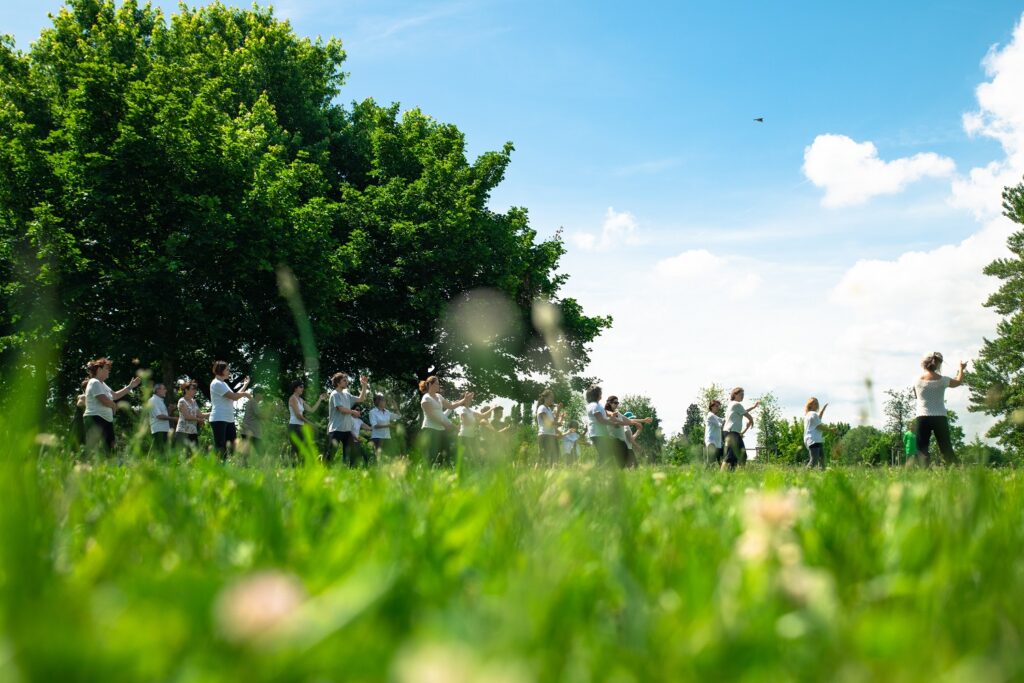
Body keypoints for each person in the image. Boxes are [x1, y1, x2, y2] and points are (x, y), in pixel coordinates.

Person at [913, 351, 966, 466]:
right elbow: (958, 381)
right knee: (946, 447)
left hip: (922, 417)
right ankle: (954, 470)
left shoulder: (917, 381)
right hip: (940, 417)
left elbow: (916, 396)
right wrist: (961, 369)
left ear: (924, 363)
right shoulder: (943, 380)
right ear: (938, 364)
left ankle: (924, 472)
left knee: (922, 448)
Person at [83, 357, 141, 453]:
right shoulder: (94, 382)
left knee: (110, 450)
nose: (109, 371)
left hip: (106, 420)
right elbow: (104, 400)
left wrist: (131, 386)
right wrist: (114, 406)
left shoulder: (102, 384)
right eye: (107, 368)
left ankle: (106, 467)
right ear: (99, 369)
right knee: (92, 450)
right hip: (95, 419)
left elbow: (115, 395)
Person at [418, 375, 474, 465]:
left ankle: (443, 473)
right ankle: (427, 474)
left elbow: (451, 406)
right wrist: (445, 424)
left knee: (446, 454)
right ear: (430, 385)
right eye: (437, 384)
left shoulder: (439, 396)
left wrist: (464, 400)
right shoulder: (426, 398)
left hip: (441, 430)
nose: (438, 386)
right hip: (430, 429)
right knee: (430, 456)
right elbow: (431, 415)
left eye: (438, 384)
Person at [209, 361, 251, 458]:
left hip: (228, 419)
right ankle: (218, 469)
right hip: (219, 419)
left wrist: (245, 385)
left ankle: (229, 469)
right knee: (221, 448)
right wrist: (245, 394)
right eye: (227, 369)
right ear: (221, 370)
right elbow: (234, 396)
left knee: (233, 447)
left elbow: (235, 396)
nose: (229, 372)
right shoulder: (216, 383)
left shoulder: (223, 384)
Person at [327, 372, 370, 466]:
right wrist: (353, 412)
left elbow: (361, 399)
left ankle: (348, 473)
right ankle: (323, 470)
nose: (347, 382)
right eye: (344, 380)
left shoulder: (347, 395)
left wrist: (364, 385)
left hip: (346, 430)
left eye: (346, 380)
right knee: (330, 455)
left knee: (350, 454)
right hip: (336, 429)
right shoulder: (335, 394)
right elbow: (341, 409)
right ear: (338, 383)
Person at [585, 385, 628, 466]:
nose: (601, 394)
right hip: (599, 434)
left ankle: (600, 471)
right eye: (600, 392)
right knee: (613, 450)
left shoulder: (592, 405)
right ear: (597, 394)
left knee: (606, 455)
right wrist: (613, 423)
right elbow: (600, 420)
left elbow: (602, 416)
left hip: (596, 433)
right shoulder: (595, 405)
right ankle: (598, 471)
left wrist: (611, 416)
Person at [722, 387, 760, 470]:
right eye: (741, 394)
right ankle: (721, 476)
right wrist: (751, 421)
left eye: (743, 394)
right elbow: (747, 415)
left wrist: (753, 407)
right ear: (735, 394)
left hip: (732, 433)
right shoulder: (736, 404)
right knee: (730, 457)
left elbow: (743, 411)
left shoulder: (733, 404)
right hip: (731, 433)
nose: (742, 396)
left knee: (741, 456)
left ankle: (736, 476)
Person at [287, 380, 327, 458]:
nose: (303, 389)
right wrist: (309, 423)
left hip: (300, 427)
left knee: (302, 450)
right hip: (294, 427)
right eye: (301, 387)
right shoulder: (292, 398)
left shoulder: (301, 400)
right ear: (295, 388)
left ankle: (299, 468)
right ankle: (292, 467)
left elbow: (312, 410)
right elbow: (298, 415)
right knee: (296, 450)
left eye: (303, 387)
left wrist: (320, 399)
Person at [175, 380, 206, 450]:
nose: (195, 391)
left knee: (194, 457)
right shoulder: (182, 401)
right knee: (182, 457)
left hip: (193, 432)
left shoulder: (194, 401)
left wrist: (213, 412)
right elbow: (187, 416)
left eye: (195, 389)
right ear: (186, 390)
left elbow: (200, 415)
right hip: (182, 432)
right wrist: (199, 420)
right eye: (193, 389)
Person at [147, 383, 175, 452]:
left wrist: (169, 410)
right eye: (164, 389)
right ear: (158, 390)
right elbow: (159, 416)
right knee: (160, 453)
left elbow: (164, 415)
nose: (166, 390)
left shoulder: (160, 400)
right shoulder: (153, 400)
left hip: (164, 430)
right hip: (158, 431)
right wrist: (174, 418)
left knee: (165, 454)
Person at [535, 389, 561, 464]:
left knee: (555, 457)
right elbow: (548, 423)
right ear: (545, 398)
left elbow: (554, 422)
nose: (552, 399)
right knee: (542, 458)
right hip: (544, 435)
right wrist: (557, 423)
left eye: (553, 398)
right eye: (551, 397)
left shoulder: (549, 409)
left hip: (551, 435)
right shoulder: (542, 408)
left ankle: (552, 474)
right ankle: (535, 473)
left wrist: (558, 411)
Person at [803, 398, 828, 469]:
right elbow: (819, 426)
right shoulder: (813, 414)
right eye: (815, 403)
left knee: (822, 460)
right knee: (814, 460)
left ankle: (822, 477)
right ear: (810, 405)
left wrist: (823, 410)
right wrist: (830, 430)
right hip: (813, 440)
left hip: (816, 440)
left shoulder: (809, 414)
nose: (817, 405)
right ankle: (804, 474)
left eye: (817, 403)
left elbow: (818, 419)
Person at [240, 386, 266, 450]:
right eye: (262, 393)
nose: (263, 396)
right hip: (251, 432)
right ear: (256, 393)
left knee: (246, 454)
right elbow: (259, 415)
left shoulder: (252, 402)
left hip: (248, 431)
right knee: (262, 453)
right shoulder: (253, 402)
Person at [368, 394, 394, 458]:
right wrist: (388, 425)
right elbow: (374, 425)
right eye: (383, 400)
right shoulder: (372, 412)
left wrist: (396, 408)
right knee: (378, 457)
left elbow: (398, 416)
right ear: (378, 402)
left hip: (387, 437)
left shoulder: (387, 412)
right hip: (377, 437)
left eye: (384, 400)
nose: (385, 402)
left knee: (388, 457)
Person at [704, 400, 725, 467]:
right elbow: (720, 424)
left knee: (716, 462)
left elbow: (723, 420)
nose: (718, 407)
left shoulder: (714, 416)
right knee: (711, 462)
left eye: (718, 406)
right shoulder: (711, 416)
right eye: (716, 406)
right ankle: (703, 475)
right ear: (712, 407)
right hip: (711, 441)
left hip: (717, 442)